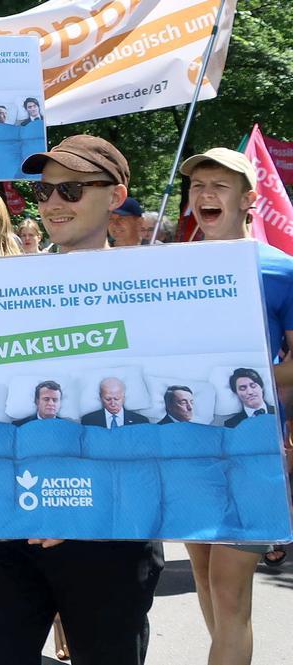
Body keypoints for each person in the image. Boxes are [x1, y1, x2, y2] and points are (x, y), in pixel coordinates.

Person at [0, 135, 164, 665]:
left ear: (115, 194)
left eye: (72, 190)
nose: (54, 203)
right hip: (16, 527)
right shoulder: (2, 289)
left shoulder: (156, 290)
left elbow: (154, 422)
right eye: (46, 191)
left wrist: (77, 501)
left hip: (110, 533)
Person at [180, 145, 293, 662]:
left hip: (250, 450)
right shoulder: (167, 270)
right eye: (198, 186)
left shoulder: (280, 270)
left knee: (230, 591)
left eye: (218, 187)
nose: (205, 194)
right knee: (203, 576)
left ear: (249, 200)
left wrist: (239, 384)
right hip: (188, 447)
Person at [80, 377, 149, 427]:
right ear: (100, 397)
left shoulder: (141, 421)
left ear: (124, 397)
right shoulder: (88, 421)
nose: (113, 404)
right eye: (108, 399)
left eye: (117, 399)